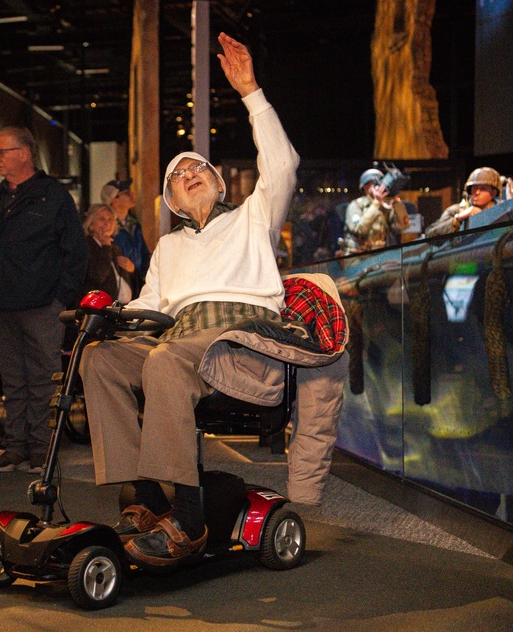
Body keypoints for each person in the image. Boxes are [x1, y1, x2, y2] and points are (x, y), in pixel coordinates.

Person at [79, 33, 347, 567]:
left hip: (246, 346)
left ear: (220, 184)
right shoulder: (170, 248)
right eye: (178, 176)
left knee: (165, 359)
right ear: (173, 203)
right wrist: (107, 317)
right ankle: (148, 498)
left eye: (198, 167)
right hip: (181, 349)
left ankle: (192, 522)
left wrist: (250, 92)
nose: (189, 174)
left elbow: (284, 166)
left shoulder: (253, 219)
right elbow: (149, 309)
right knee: (100, 358)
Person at [0, 126, 88, 475]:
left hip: (43, 305)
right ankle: (15, 447)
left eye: (2, 151)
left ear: (25, 153)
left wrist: (60, 300)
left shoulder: (54, 197)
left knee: (44, 379)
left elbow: (75, 252)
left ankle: (43, 449)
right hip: (1, 306)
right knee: (13, 380)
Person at [342, 168, 409, 254]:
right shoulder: (356, 205)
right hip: (357, 256)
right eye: (374, 184)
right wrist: (376, 204)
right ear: (365, 187)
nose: (378, 187)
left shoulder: (383, 207)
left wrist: (397, 203)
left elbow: (402, 226)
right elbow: (360, 230)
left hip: (379, 255)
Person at [424, 167, 503, 238]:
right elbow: (430, 234)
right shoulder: (456, 211)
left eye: (483, 188)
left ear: (493, 193)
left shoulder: (502, 211)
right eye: (474, 188)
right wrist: (458, 218)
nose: (477, 192)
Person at [82, 203, 138, 303]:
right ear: (91, 225)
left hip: (122, 308)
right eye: (102, 219)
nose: (107, 224)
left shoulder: (115, 248)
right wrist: (105, 247)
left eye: (110, 219)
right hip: (98, 308)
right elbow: (98, 276)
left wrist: (131, 269)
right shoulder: (86, 246)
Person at [101, 178, 151, 278]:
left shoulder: (134, 224)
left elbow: (144, 254)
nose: (132, 194)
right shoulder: (108, 228)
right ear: (114, 200)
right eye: (126, 192)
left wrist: (142, 276)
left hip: (136, 283)